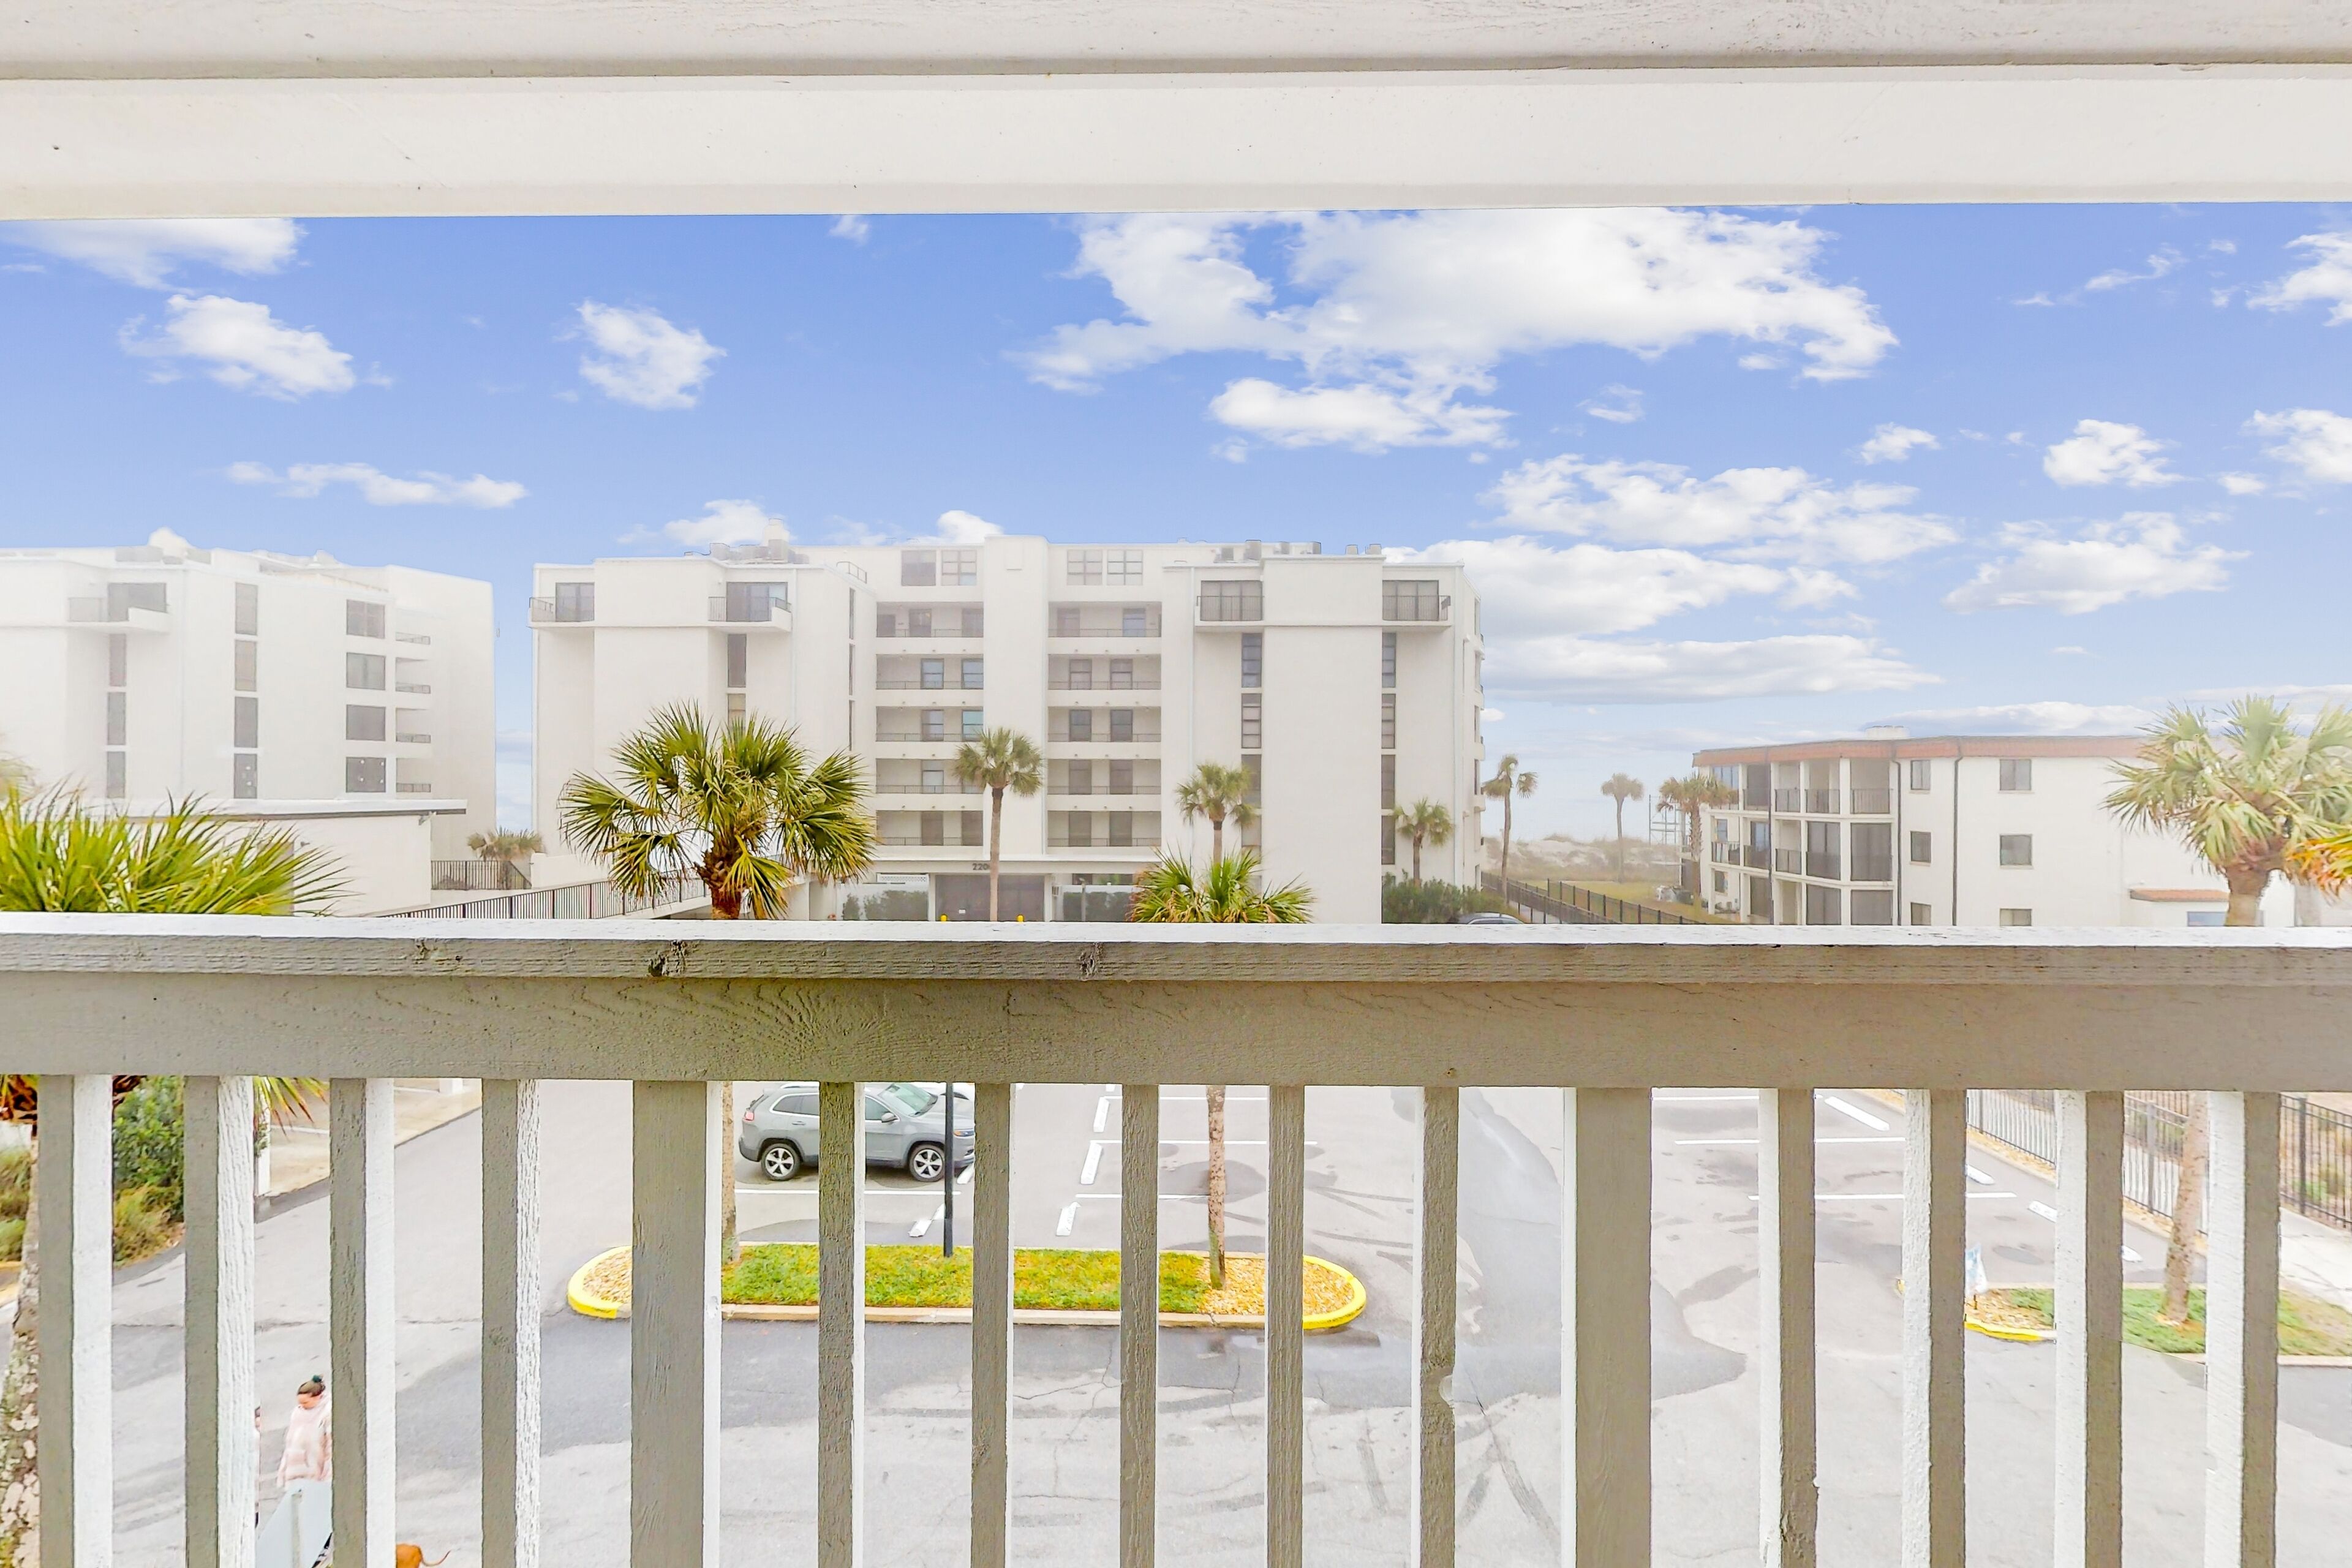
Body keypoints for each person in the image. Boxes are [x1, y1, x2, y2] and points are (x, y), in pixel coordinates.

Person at [276, 1376, 330, 1485]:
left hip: (316, 1470)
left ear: (318, 1397)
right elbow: (289, 1444)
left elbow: (330, 1446)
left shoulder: (327, 1413)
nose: (302, 1406)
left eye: (305, 1403)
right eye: (300, 1403)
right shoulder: (297, 1413)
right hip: (295, 1471)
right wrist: (283, 1472)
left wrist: (328, 1476)